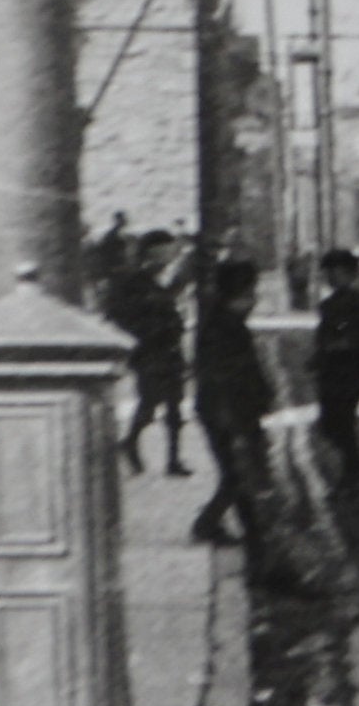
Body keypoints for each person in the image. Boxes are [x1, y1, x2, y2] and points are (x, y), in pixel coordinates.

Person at [188, 258, 278, 553]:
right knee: (238, 474)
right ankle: (250, 540)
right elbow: (225, 378)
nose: (253, 302)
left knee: (236, 475)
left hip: (233, 412)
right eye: (249, 295)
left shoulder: (226, 322)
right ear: (235, 294)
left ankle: (217, 525)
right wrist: (236, 422)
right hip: (227, 414)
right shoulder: (223, 328)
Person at [107, 230, 191, 475]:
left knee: (175, 405)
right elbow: (121, 317)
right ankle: (131, 441)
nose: (169, 256)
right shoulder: (132, 281)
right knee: (150, 403)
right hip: (149, 352)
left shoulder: (161, 280)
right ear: (151, 253)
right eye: (164, 251)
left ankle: (173, 460)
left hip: (170, 349)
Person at [308, 246, 359, 490]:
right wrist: (319, 355)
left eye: (336, 272)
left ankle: (354, 473)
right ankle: (356, 469)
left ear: (350, 274)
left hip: (353, 372)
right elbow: (324, 337)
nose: (331, 277)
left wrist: (347, 344)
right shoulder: (329, 305)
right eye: (328, 273)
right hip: (332, 371)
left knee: (338, 422)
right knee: (332, 424)